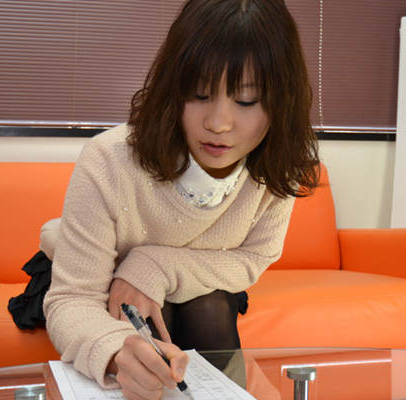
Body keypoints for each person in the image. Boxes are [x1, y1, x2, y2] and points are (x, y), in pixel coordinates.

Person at [42, 0, 319, 398]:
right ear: (174, 89)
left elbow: (254, 258)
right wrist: (119, 353)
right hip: (98, 282)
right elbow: (73, 298)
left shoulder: (276, 167)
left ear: (282, 102)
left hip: (199, 286)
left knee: (208, 306)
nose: (218, 123)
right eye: (199, 94)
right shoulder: (109, 159)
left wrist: (153, 266)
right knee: (158, 325)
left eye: (246, 101)